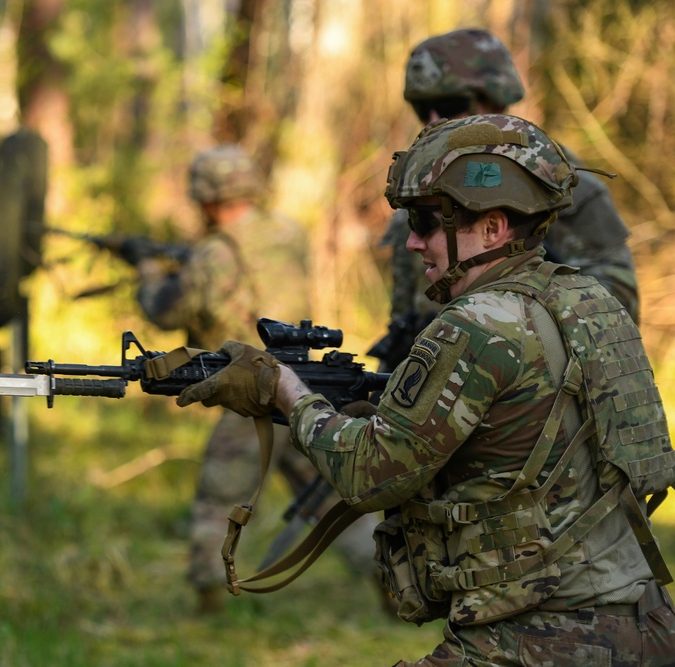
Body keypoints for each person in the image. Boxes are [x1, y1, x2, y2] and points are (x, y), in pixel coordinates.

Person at [175, 114, 675, 665]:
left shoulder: (476, 324)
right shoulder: (589, 302)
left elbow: (368, 477)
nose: (412, 242)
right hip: (642, 622)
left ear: (492, 227)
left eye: (427, 221)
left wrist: (285, 391)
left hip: (536, 636)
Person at [135, 144, 378, 612]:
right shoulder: (287, 232)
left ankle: (210, 596)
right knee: (328, 494)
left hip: (250, 392)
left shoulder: (212, 253)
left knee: (219, 492)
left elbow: (166, 312)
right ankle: (388, 575)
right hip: (305, 386)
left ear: (206, 198)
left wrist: (147, 272)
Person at [373, 28, 639, 373]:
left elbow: (616, 314)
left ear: (496, 99)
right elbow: (406, 318)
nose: (435, 120)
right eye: (423, 109)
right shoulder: (419, 193)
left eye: (452, 105)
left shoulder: (557, 184)